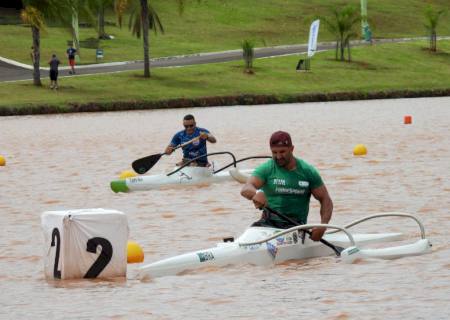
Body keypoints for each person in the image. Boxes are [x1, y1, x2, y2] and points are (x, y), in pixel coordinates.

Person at [240, 131, 333, 241]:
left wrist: (323, 226)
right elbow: (246, 188)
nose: (278, 156)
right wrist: (256, 193)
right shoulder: (267, 168)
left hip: (296, 227)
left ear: (292, 149)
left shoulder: (307, 171)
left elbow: (325, 199)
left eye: (282, 151)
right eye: (274, 152)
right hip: (268, 224)